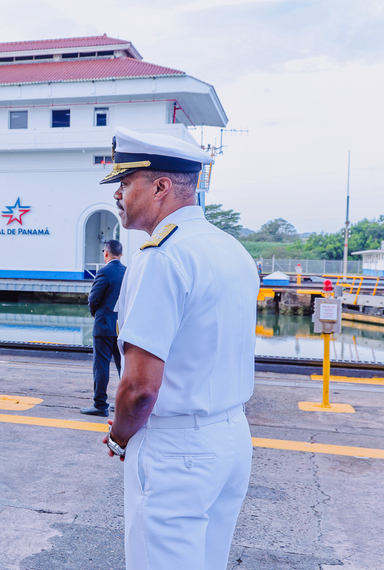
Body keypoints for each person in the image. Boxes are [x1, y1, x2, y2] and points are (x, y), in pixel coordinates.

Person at [99, 127, 259, 570]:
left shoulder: (161, 257)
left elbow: (140, 388)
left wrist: (120, 436)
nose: (118, 195)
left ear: (160, 187)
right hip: (230, 436)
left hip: (177, 447)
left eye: (125, 183)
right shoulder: (230, 249)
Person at [81, 239, 126, 417]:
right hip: (121, 326)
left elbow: (93, 299)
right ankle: (123, 404)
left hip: (104, 326)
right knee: (123, 366)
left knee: (101, 366)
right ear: (121, 254)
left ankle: (100, 405)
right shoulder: (128, 272)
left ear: (105, 253)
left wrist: (94, 313)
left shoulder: (104, 272)